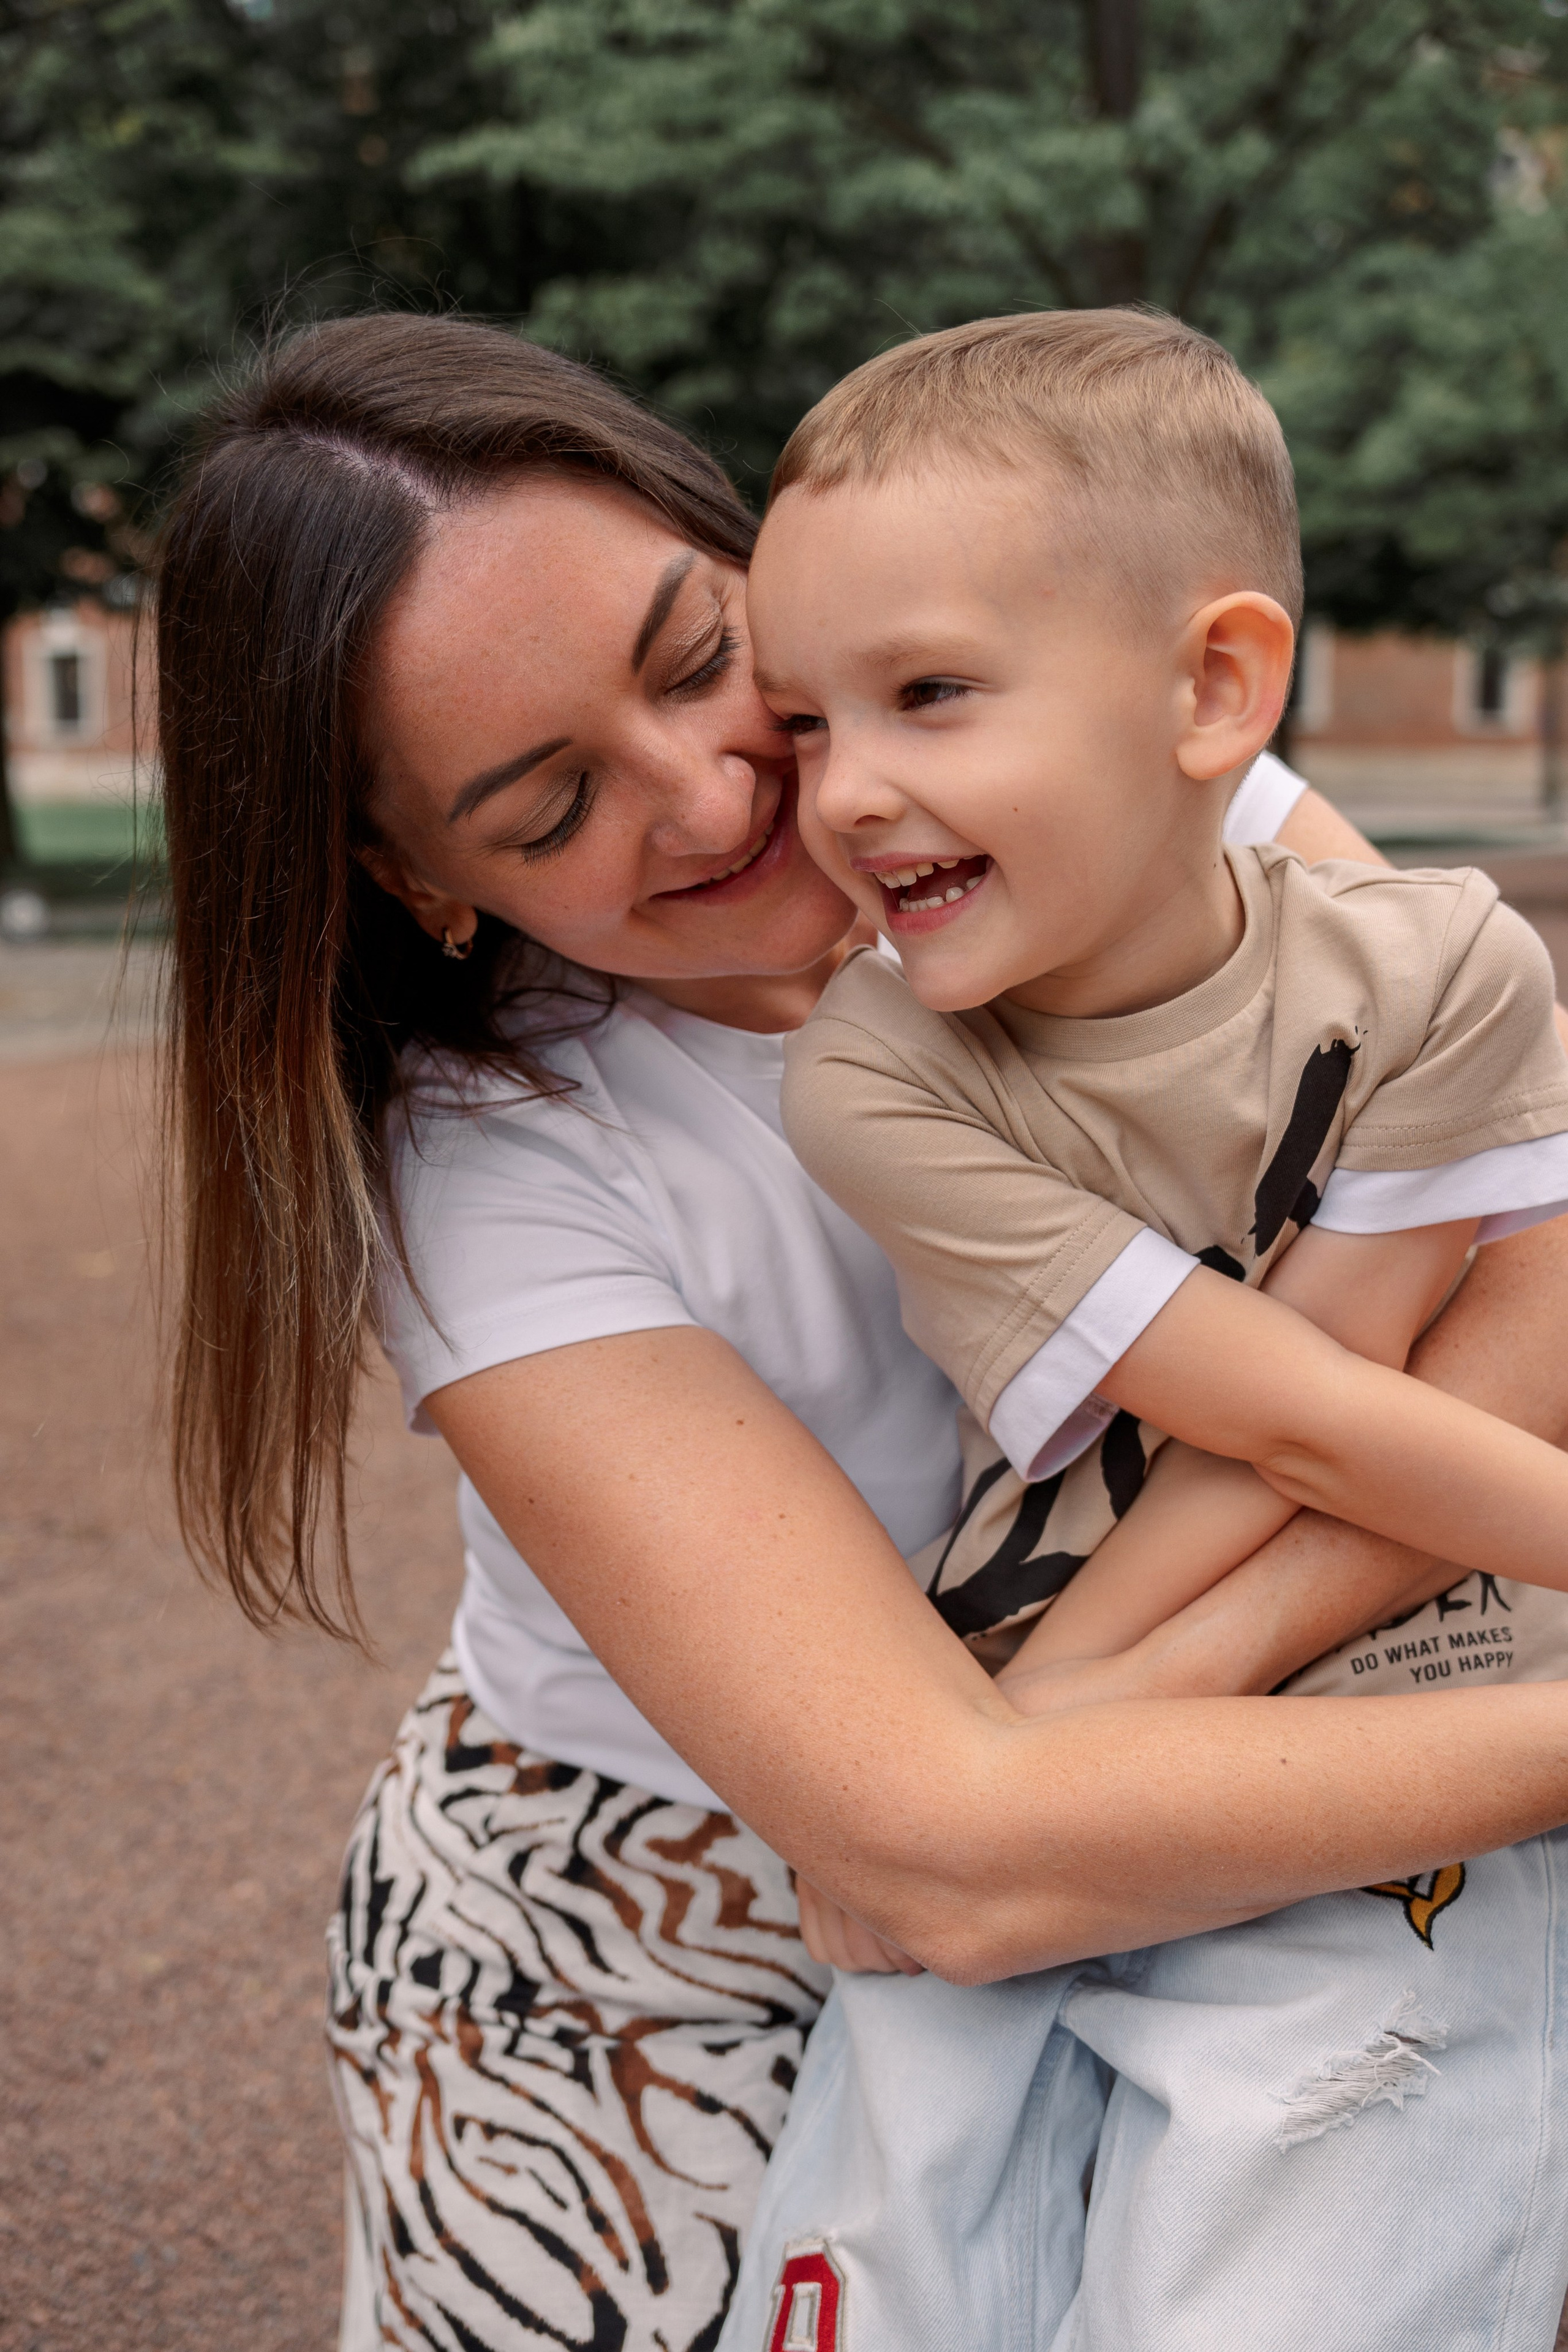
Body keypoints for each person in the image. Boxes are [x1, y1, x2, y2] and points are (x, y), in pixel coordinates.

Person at [152, 312, 1568, 2352]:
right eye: (548, 807)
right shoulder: (499, 1159)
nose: (717, 789)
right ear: (418, 880)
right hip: (677, 1931)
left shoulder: (1123, 787)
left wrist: (1133, 1682)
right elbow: (932, 1853)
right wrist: (1035, 1764)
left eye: (695, 655)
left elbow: (1527, 1257)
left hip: (1150, 1735)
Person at [721, 310, 1568, 2352]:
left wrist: (1072, 1724)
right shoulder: (875, 1075)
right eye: (809, 723)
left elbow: (1350, 1413)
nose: (849, 793)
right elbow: (1286, 1409)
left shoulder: (1442, 968)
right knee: (868, 2288)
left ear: (1214, 689)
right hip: (1052, 1727)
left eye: (928, 694)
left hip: (1370, 1749)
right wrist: (1014, 1764)